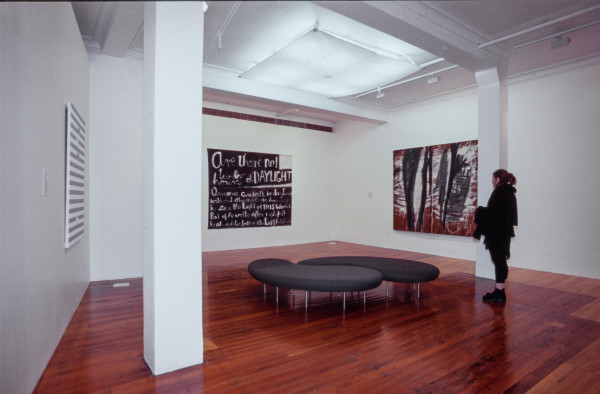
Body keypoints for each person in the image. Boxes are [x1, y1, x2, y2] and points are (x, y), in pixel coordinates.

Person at [474, 169, 518, 302]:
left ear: (498, 179)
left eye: (493, 179)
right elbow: (501, 213)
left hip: (498, 233)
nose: (492, 182)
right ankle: (500, 290)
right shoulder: (509, 192)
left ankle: (499, 292)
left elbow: (494, 214)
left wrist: (479, 211)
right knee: (500, 260)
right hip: (503, 232)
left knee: (499, 261)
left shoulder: (500, 192)